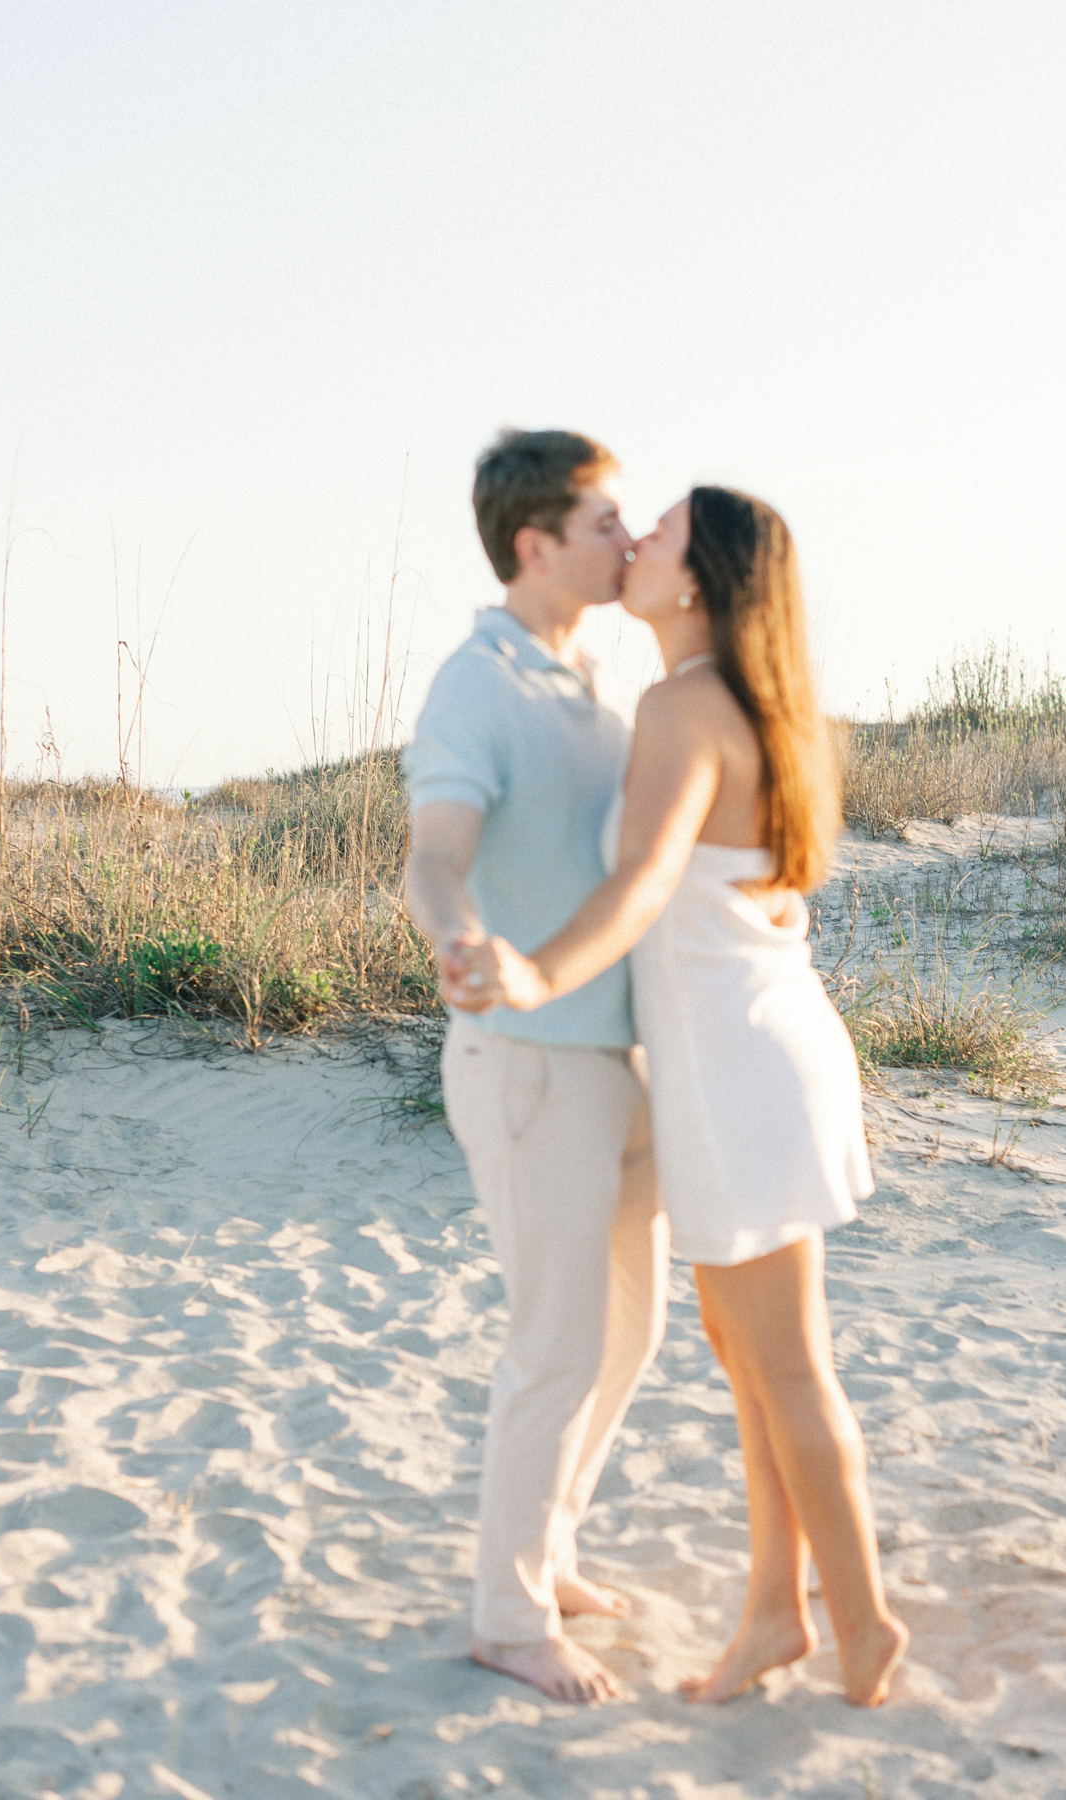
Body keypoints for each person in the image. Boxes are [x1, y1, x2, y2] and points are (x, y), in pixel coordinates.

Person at [448, 485, 909, 1708]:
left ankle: (861, 1623)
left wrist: (540, 970)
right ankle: (774, 1612)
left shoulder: (679, 706)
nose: (635, 544)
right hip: (750, 1055)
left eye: (654, 533)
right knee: (746, 1354)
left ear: (697, 578)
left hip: (737, 1072)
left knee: (789, 1368)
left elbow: (646, 884)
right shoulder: (744, 703)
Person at [404, 429, 670, 1705]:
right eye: (606, 524)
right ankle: (507, 1617)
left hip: (617, 1061)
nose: (628, 542)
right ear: (537, 544)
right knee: (555, 1341)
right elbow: (435, 848)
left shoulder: (596, 679)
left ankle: (549, 1550)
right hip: (527, 1063)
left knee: (632, 1331)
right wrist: (461, 936)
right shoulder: (479, 683)